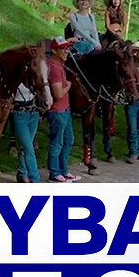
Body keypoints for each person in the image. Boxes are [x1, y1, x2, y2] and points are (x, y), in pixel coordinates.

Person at [44, 36, 80, 183]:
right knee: (57, 142)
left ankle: (63, 170)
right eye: (63, 49)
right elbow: (58, 94)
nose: (66, 51)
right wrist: (69, 86)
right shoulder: (54, 68)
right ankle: (54, 172)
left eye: (67, 48)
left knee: (68, 140)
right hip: (57, 111)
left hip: (65, 110)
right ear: (54, 50)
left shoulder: (59, 65)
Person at [10, 78, 42, 183]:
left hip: (34, 113)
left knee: (26, 147)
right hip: (20, 114)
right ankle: (35, 179)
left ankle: (22, 173)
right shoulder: (15, 79)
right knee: (29, 148)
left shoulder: (33, 77)